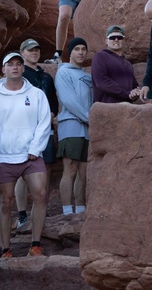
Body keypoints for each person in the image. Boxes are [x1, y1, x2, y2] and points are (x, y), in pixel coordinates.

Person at [0, 52, 52, 258]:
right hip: (4, 157)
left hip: (31, 156)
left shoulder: (37, 94)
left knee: (40, 194)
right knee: (5, 202)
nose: (15, 67)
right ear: (3, 69)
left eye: (18, 64)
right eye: (10, 64)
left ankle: (36, 245)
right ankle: (6, 249)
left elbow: (44, 121)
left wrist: (35, 148)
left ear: (23, 68)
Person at [14, 39, 57, 231]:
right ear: (22, 53)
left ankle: (41, 210)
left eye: (37, 50)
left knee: (45, 168)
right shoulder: (20, 75)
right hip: (24, 129)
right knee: (22, 171)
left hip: (45, 129)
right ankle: (22, 214)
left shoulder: (46, 77)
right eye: (30, 50)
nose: (34, 53)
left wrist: (49, 118)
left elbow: (54, 103)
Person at [54, 37, 92, 216]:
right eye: (76, 49)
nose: (80, 52)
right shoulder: (63, 72)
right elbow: (69, 100)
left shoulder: (87, 76)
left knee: (84, 171)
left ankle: (81, 208)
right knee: (70, 168)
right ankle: (67, 210)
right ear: (70, 52)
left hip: (87, 128)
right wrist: (88, 117)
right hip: (70, 125)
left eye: (83, 49)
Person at [91, 24, 142, 103]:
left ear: (124, 41)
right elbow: (102, 82)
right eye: (112, 37)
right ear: (106, 41)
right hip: (107, 109)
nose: (116, 40)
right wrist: (126, 94)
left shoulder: (127, 63)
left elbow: (134, 86)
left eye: (119, 37)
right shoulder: (100, 57)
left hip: (126, 109)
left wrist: (135, 92)